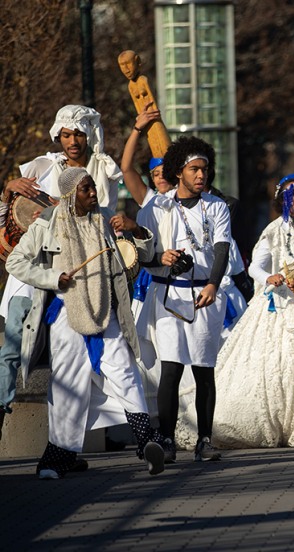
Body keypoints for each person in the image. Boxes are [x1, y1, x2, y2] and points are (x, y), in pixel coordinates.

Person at [7, 167, 167, 478]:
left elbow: (136, 257)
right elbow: (16, 262)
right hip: (67, 315)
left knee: (124, 371)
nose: (93, 194)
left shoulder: (104, 220)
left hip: (105, 311)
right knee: (69, 386)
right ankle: (58, 458)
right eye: (86, 189)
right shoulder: (48, 222)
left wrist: (136, 231)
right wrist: (53, 277)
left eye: (93, 187)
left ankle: (146, 441)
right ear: (70, 194)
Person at [1, 105, 124, 453]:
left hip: (76, 280)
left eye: (79, 134)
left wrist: (59, 212)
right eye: (66, 135)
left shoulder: (101, 171)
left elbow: (101, 220)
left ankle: (66, 448)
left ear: (90, 135)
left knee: (73, 365)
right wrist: (8, 191)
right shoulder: (42, 166)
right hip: (32, 277)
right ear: (59, 136)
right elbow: (10, 222)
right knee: (11, 354)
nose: (73, 141)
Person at [188, 174, 294, 448]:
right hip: (281, 307)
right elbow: (255, 267)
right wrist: (269, 277)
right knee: (277, 364)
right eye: (290, 197)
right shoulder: (275, 230)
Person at [137, 136, 231, 462]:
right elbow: (143, 256)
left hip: (205, 295)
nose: (201, 175)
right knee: (171, 368)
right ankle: (166, 440)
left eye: (204, 169)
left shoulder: (217, 206)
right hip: (169, 295)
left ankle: (204, 440)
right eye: (194, 169)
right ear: (179, 171)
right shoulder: (157, 206)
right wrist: (161, 258)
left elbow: (222, 249)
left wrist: (213, 285)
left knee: (204, 369)